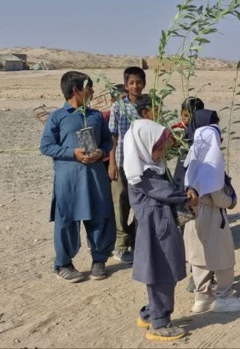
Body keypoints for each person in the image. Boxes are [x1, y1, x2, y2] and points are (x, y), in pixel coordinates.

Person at [40, 71, 116, 282]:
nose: (92, 91)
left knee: (100, 215)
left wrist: (101, 152)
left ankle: (99, 260)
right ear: (76, 90)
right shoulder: (57, 117)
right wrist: (72, 153)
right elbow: (46, 146)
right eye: (89, 87)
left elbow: (107, 142)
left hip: (94, 176)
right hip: (69, 180)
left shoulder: (96, 115)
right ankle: (63, 264)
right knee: (66, 221)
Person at [124, 119, 195, 342]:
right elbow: (165, 192)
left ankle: (151, 312)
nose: (163, 152)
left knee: (160, 272)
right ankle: (160, 322)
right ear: (144, 146)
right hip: (155, 230)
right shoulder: (141, 174)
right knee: (162, 272)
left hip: (159, 227)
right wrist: (188, 196)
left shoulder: (148, 168)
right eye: (159, 148)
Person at [182, 110, 240, 314]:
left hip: (194, 218)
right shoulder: (212, 165)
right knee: (223, 257)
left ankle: (202, 297)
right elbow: (220, 199)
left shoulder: (191, 162)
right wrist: (232, 200)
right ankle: (224, 297)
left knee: (199, 257)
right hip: (213, 217)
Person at [108, 66, 146, 264]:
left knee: (142, 203)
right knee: (120, 204)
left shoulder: (150, 105)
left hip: (144, 163)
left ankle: (137, 240)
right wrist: (112, 163)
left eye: (139, 82)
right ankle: (121, 245)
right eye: (131, 83)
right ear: (126, 85)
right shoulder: (118, 107)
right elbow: (113, 136)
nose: (135, 86)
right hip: (122, 161)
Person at [172, 96, 205, 189]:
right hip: (182, 167)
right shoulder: (177, 130)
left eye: (192, 117)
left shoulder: (204, 130)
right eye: (185, 115)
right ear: (181, 113)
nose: (188, 120)